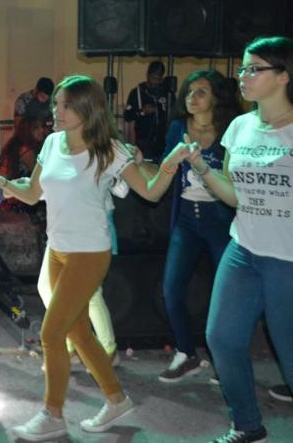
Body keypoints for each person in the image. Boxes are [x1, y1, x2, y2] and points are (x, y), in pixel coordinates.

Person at [0, 75, 185, 440]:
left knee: (51, 333)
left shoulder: (109, 150)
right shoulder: (53, 143)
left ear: (87, 110)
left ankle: (52, 414)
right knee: (78, 333)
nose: (55, 111)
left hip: (89, 253)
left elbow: (151, 192)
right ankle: (116, 399)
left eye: (64, 105)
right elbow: (32, 193)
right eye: (55, 104)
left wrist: (171, 162)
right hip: (57, 249)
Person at [184, 36, 293, 443]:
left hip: (287, 259)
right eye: (242, 67)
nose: (242, 75)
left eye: (253, 68)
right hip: (243, 249)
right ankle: (247, 425)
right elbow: (234, 195)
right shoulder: (240, 126)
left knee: (290, 353)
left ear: (283, 75)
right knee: (222, 339)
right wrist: (201, 168)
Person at [137, 70, 242, 383]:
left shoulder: (231, 129)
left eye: (201, 92)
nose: (191, 98)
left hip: (220, 218)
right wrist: (142, 161)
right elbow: (164, 168)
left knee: (226, 295)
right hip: (186, 218)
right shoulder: (178, 128)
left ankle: (225, 358)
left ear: (217, 98)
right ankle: (186, 353)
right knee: (171, 289)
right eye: (189, 91)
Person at [124, 60, 174, 161]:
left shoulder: (167, 94)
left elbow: (175, 114)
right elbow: (127, 116)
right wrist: (142, 112)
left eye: (159, 79)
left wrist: (161, 110)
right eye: (153, 78)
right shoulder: (137, 92)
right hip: (143, 142)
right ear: (148, 75)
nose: (156, 82)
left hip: (163, 142)